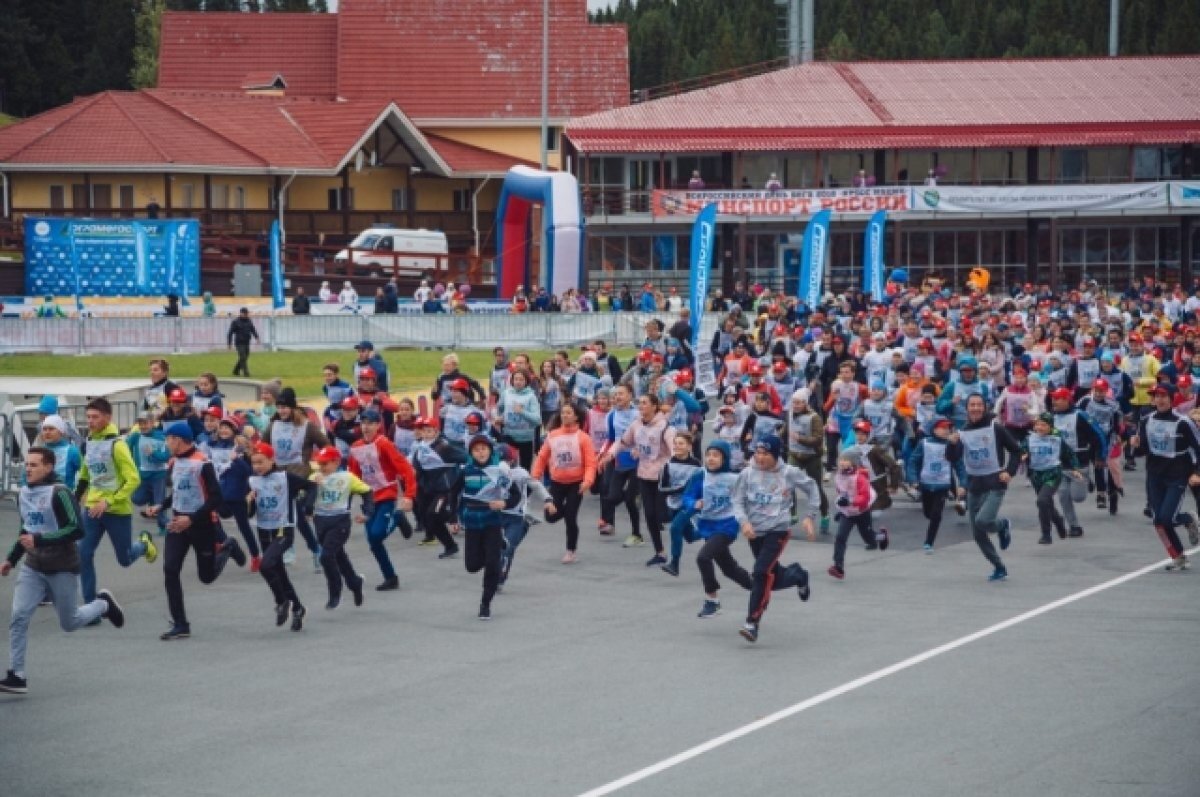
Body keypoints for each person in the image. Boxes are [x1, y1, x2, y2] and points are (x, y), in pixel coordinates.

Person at [1, 447, 126, 695]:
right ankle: (17, 675)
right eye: (27, 464)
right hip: (33, 567)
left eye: (34, 465)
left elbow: (77, 529)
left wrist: (41, 540)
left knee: (70, 623)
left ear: (49, 467)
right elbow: (26, 529)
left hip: (62, 567)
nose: (28, 468)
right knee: (19, 616)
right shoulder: (23, 493)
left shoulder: (61, 493)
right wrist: (11, 559)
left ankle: (103, 604)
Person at [149, 422, 245, 640]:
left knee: (206, 577)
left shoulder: (203, 463)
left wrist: (191, 519)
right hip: (177, 523)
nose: (166, 443)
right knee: (170, 570)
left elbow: (216, 498)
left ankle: (227, 546)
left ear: (179, 439)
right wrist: (161, 506)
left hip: (201, 524)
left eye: (169, 439)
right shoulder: (174, 462)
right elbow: (179, 493)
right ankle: (181, 624)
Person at [730, 435, 818, 643]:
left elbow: (812, 487)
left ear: (776, 455)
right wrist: (744, 522)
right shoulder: (747, 473)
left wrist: (809, 516)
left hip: (778, 530)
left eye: (766, 454)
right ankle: (798, 575)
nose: (760, 458)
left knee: (760, 573)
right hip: (754, 531)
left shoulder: (789, 473)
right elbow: (737, 500)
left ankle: (752, 622)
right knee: (772, 576)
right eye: (758, 453)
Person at [75, 398, 154, 611]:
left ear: (108, 417)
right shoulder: (89, 441)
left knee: (125, 559)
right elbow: (85, 473)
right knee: (83, 554)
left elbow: (134, 479)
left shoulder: (118, 445)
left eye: (95, 417)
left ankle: (145, 544)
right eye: (88, 417)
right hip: (92, 508)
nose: (90, 421)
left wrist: (109, 500)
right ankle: (91, 605)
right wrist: (76, 497)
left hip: (117, 510)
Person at [1132, 384, 1200, 570]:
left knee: (1167, 517)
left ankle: (1187, 518)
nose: (1159, 400)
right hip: (1154, 474)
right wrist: (1136, 445)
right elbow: (1142, 451)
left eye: (1163, 396)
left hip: (1177, 474)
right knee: (1159, 521)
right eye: (1156, 396)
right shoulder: (1146, 420)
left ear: (1171, 398)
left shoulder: (1183, 422)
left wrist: (1196, 472)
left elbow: (1198, 447)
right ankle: (1177, 556)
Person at [348, 409, 417, 591]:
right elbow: (353, 475)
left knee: (377, 533)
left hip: (386, 494)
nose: (366, 427)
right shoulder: (355, 447)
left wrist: (409, 495)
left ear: (378, 425)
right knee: (373, 541)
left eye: (370, 423)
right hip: (369, 497)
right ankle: (390, 577)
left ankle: (398, 517)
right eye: (363, 423)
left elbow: (405, 469)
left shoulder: (384, 444)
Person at [247, 442, 313, 632]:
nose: (257, 467)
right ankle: (298, 608)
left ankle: (282, 601)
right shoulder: (252, 482)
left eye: (261, 462)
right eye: (254, 463)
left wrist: (306, 506)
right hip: (264, 530)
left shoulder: (285, 478)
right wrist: (249, 502)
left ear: (272, 460)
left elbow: (311, 487)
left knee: (266, 565)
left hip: (283, 529)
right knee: (279, 574)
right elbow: (250, 514)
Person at [262, 387, 328, 570]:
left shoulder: (306, 426)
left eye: (285, 407)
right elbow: (262, 447)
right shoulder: (273, 425)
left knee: (294, 512)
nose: (281, 411)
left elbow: (326, 446)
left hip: (299, 475)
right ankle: (309, 548)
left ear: (292, 407)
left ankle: (305, 549)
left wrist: (321, 466)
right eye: (279, 407)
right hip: (278, 476)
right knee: (291, 515)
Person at [459, 435, 523, 620]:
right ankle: (496, 549)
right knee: (471, 566)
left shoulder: (498, 472)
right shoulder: (465, 471)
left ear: (490, 451)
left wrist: (504, 503)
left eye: (484, 449)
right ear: (471, 453)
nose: (481, 452)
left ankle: (485, 603)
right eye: (476, 449)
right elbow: (455, 493)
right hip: (472, 523)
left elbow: (515, 496)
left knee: (492, 564)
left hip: (492, 522)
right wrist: (453, 517)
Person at [959, 393, 1021, 581]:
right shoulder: (963, 431)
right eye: (972, 405)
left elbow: (1017, 451)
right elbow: (954, 457)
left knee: (983, 521)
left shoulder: (996, 428)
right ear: (967, 408)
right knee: (978, 535)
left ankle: (1002, 525)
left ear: (984, 407)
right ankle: (999, 567)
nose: (976, 408)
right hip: (974, 484)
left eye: (979, 405)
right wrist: (951, 442)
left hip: (995, 483)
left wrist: (1009, 472)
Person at [308, 446, 372, 610]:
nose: (322, 467)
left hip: (340, 521)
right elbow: (306, 498)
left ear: (336, 462)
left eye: (325, 463)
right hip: (321, 522)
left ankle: (335, 592)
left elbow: (367, 491)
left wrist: (367, 512)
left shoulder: (347, 477)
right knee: (339, 556)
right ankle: (355, 582)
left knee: (326, 556)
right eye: (319, 463)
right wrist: (313, 487)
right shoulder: (315, 476)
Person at [532, 403, 597, 564]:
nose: (565, 415)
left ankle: (571, 550)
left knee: (570, 517)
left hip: (577, 484)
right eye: (563, 413)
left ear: (576, 416)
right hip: (557, 482)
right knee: (550, 516)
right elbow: (542, 457)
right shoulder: (553, 435)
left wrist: (588, 481)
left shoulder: (583, 438)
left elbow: (591, 463)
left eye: (569, 413)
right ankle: (566, 511)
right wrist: (535, 475)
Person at [905, 417, 962, 552]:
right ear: (934, 429)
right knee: (928, 513)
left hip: (942, 485)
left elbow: (959, 465)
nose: (945, 431)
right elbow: (913, 461)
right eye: (942, 428)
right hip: (926, 483)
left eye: (948, 428)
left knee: (936, 514)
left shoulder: (952, 445)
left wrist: (963, 484)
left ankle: (929, 542)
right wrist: (913, 479)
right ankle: (933, 519)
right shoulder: (924, 443)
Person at [1023, 413, 1080, 545]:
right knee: (1046, 503)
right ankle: (1059, 521)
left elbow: (1069, 454)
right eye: (1038, 424)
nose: (1040, 427)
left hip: (1053, 473)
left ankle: (1046, 534)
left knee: (1042, 500)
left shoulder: (1057, 440)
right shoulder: (1029, 439)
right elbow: (1021, 450)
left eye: (1044, 425)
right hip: (1036, 475)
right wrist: (1023, 455)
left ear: (1050, 427)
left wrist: (1075, 469)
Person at [227, 308, 259, 377]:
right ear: (241, 313)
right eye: (245, 313)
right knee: (243, 357)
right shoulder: (235, 322)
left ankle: (236, 370)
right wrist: (229, 344)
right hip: (239, 342)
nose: (247, 315)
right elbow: (230, 333)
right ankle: (246, 373)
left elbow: (253, 329)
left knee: (245, 357)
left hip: (247, 342)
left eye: (247, 313)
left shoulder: (249, 321)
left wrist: (257, 337)